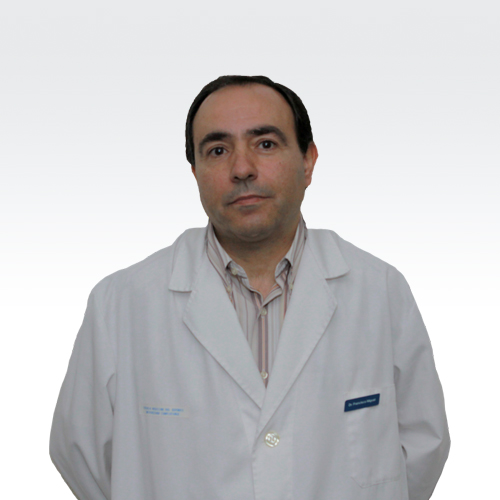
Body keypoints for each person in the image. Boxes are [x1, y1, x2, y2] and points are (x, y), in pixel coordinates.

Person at [49, 75, 451, 500]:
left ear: (308, 161)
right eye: (218, 150)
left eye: (265, 144)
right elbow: (80, 453)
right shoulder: (121, 304)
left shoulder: (380, 291)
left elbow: (423, 445)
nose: (242, 169)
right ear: (195, 172)